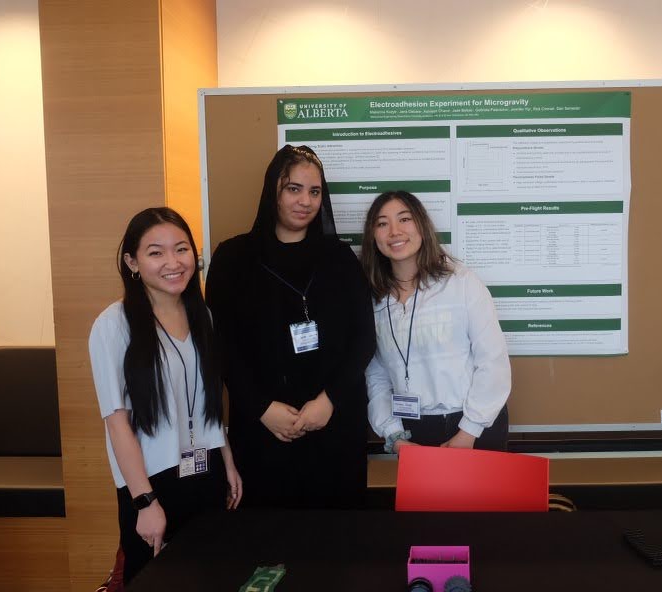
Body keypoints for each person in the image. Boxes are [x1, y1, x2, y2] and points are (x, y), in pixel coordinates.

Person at [205, 145, 375, 509]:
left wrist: (328, 401)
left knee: (337, 546)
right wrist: (262, 409)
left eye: (315, 192)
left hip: (334, 426)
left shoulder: (340, 259)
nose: (305, 201)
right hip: (263, 429)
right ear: (273, 192)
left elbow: (364, 340)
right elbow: (221, 346)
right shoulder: (233, 259)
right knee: (267, 548)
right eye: (293, 189)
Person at [88, 207, 242, 584]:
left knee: (211, 578)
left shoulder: (201, 315)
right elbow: (117, 423)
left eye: (182, 249)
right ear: (132, 262)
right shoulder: (113, 325)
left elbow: (207, 399)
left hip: (205, 472)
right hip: (152, 483)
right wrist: (145, 502)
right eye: (156, 252)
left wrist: (228, 460)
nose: (173, 262)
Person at [361, 191, 511, 454]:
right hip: (412, 431)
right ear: (374, 237)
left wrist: (469, 431)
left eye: (404, 219)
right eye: (382, 223)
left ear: (422, 225)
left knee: (483, 498)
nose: (394, 231)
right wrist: (394, 435)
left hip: (474, 425)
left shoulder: (461, 283)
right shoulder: (373, 300)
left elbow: (493, 361)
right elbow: (377, 375)